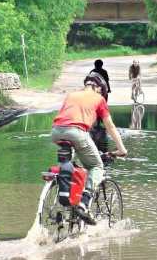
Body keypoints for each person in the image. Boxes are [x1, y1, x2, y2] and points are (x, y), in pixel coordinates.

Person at [50, 72, 127, 225]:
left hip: (56, 132)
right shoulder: (98, 99)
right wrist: (121, 150)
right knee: (96, 166)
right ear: (99, 88)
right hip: (76, 133)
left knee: (70, 168)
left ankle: (69, 208)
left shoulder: (73, 94)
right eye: (103, 92)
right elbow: (110, 127)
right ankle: (83, 204)